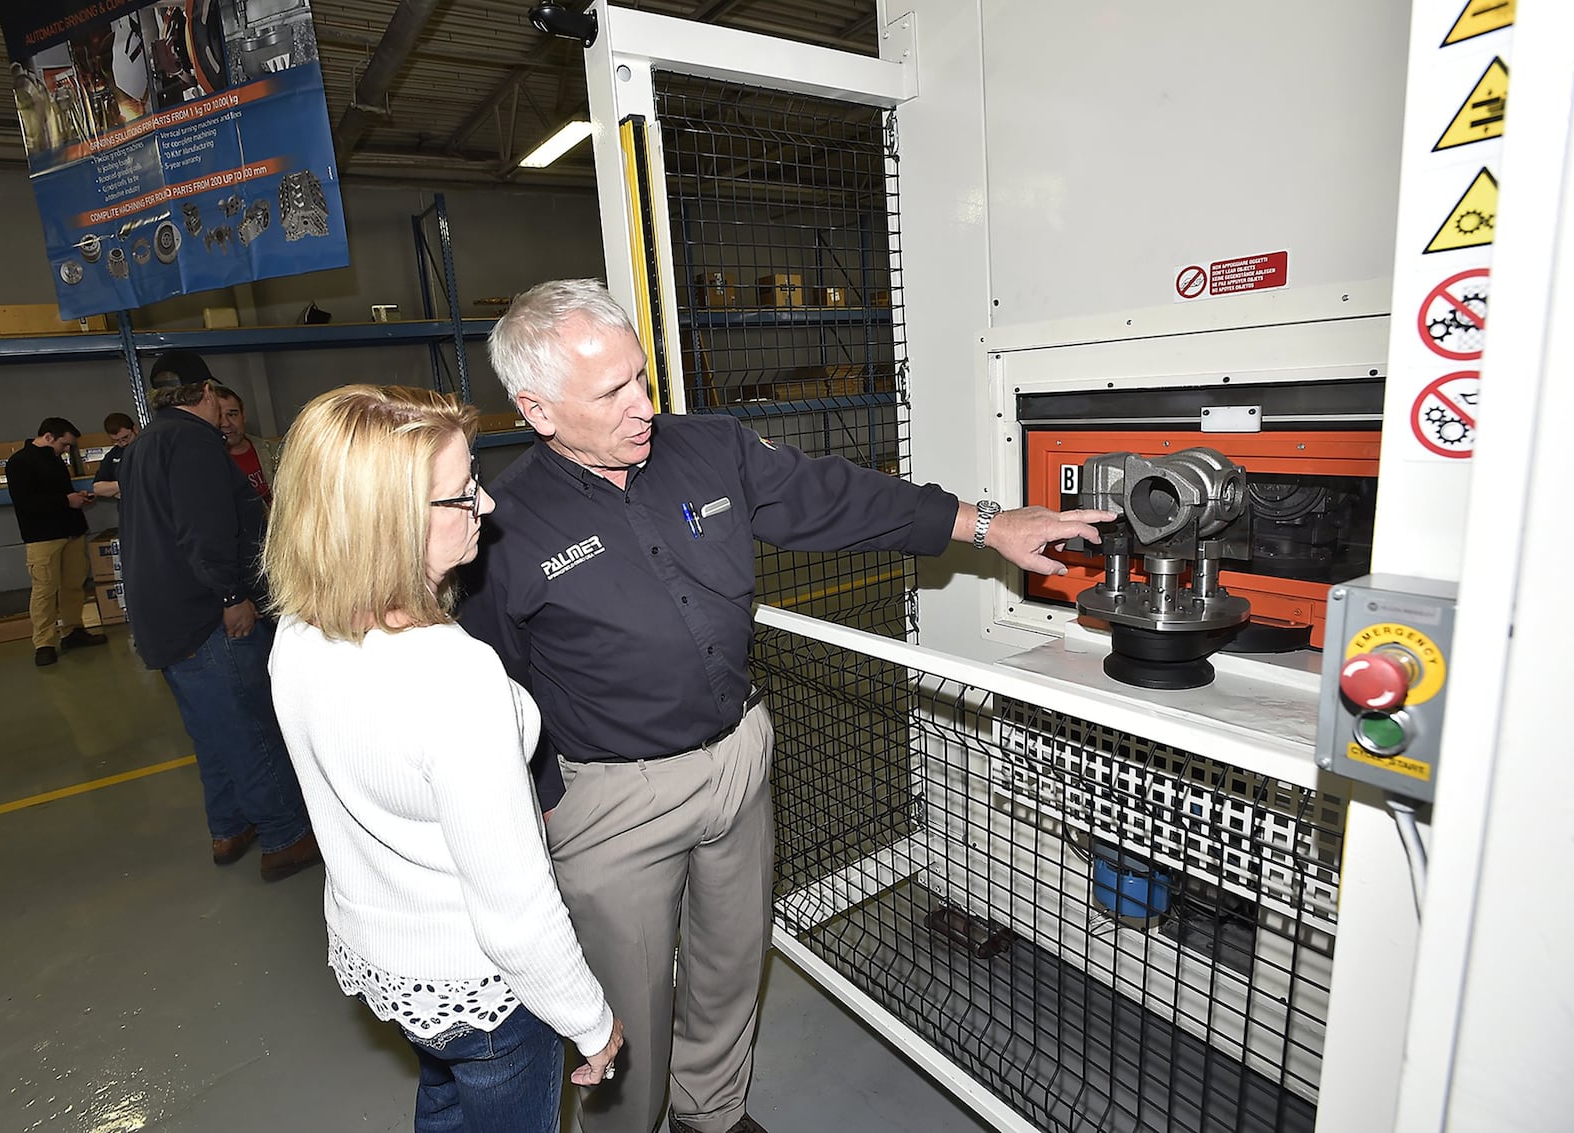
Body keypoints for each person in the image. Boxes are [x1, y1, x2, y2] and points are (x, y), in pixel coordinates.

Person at [456, 279, 1117, 1133]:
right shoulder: (503, 527)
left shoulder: (709, 449)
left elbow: (837, 497)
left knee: (733, 959)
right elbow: (491, 689)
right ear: (537, 410)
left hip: (738, 756)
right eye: (611, 392)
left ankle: (712, 1109)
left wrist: (987, 525)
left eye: (642, 377)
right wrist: (541, 803)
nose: (643, 407)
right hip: (610, 797)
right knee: (627, 1007)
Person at [262, 385, 624, 1133]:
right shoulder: (454, 678)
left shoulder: (297, 634)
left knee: (445, 1099)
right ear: (389, 523)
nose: (487, 507)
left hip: (396, 970)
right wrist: (592, 1022)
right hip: (483, 989)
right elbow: (515, 907)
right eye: (463, 497)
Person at [117, 350, 320, 880]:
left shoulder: (143, 445)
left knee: (212, 731)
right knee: (248, 726)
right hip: (206, 612)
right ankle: (286, 836)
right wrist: (231, 596)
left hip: (164, 616)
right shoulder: (193, 442)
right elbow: (204, 529)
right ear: (206, 392)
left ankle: (229, 827)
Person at [6, 416, 107, 666]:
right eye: (64, 444)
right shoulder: (19, 462)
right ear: (49, 436)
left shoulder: (55, 461)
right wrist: (66, 501)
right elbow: (25, 502)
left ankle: (73, 631)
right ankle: (44, 643)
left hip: (71, 532)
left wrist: (77, 498)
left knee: (73, 585)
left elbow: (58, 494)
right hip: (43, 537)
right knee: (44, 591)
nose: (66, 450)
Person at [213, 384, 277, 505]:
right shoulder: (209, 463)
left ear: (243, 416)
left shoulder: (273, 451)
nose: (226, 423)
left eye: (232, 414)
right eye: (219, 417)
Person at [89, 412, 139, 499]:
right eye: (116, 441)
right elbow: (97, 488)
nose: (123, 443)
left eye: (126, 438)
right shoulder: (113, 454)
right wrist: (125, 485)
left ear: (135, 429)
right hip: (128, 508)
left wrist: (115, 489)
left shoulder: (149, 448)